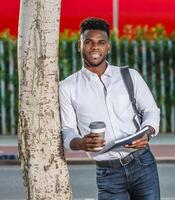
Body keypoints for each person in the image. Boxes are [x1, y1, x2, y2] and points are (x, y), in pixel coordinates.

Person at [59, 17, 161, 199]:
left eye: (101, 42)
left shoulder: (129, 76)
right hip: (108, 174)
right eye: (89, 42)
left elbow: (151, 111)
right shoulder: (68, 87)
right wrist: (81, 143)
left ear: (108, 47)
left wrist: (147, 133)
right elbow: (67, 130)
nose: (95, 47)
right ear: (79, 45)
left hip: (143, 164)